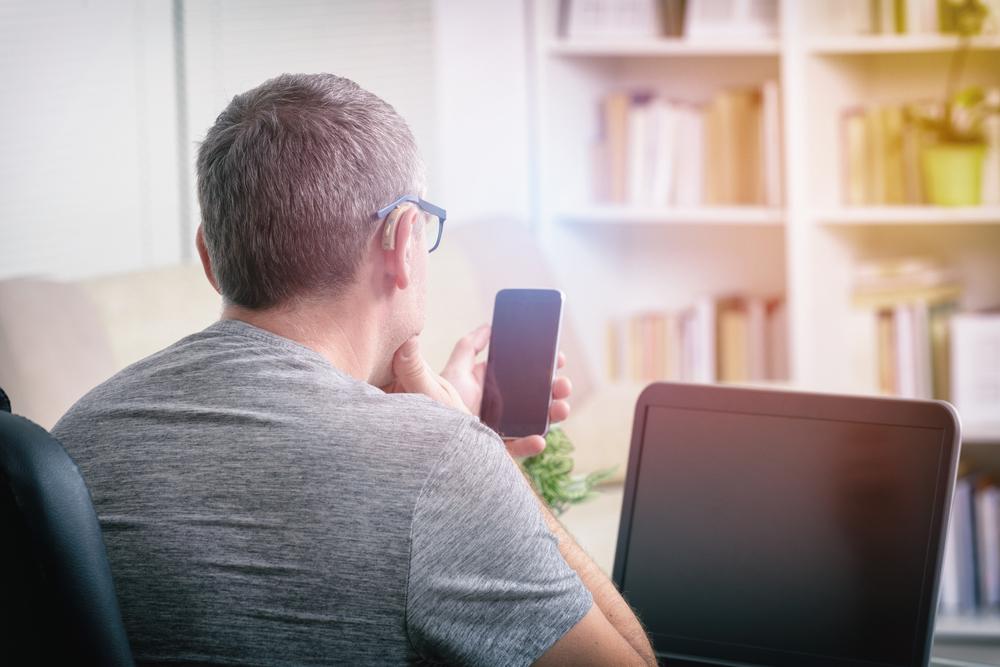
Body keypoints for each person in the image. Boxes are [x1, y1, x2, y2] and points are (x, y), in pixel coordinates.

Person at [52, 73, 656, 667]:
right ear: (401, 242)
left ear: (209, 257)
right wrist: (484, 459)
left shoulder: (71, 442)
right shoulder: (444, 466)